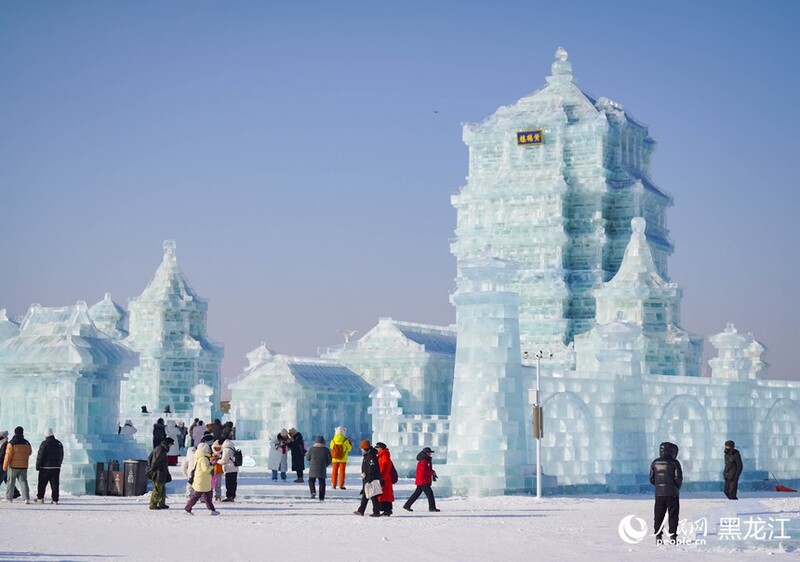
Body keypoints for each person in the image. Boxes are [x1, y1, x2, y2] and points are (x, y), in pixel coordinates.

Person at [649, 441, 683, 545]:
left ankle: (658, 536)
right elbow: (678, 478)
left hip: (659, 494)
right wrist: (676, 487)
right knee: (673, 515)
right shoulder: (674, 462)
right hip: (673, 493)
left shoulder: (655, 462)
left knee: (659, 515)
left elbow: (651, 478)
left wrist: (659, 486)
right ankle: (673, 536)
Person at [183, 442, 219, 516]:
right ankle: (187, 509)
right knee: (196, 496)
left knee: (207, 496)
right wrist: (212, 466)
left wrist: (211, 463)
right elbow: (205, 469)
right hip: (202, 480)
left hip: (202, 480)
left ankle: (211, 510)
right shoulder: (203, 458)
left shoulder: (200, 457)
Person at [402, 447, 440, 512]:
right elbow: (423, 471)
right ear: (426, 453)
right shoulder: (424, 461)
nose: (430, 454)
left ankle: (407, 505)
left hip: (422, 480)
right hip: (423, 481)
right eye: (429, 453)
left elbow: (426, 470)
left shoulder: (426, 460)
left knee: (417, 494)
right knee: (430, 494)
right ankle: (432, 508)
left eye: (430, 453)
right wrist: (432, 473)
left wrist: (432, 472)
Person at [3, 426, 32, 503]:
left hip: (13, 467)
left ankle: (9, 498)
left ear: (15, 432)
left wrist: (5, 466)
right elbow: (30, 452)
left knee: (10, 482)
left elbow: (8, 456)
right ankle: (26, 498)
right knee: (23, 482)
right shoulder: (26, 442)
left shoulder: (12, 443)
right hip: (24, 466)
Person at [35, 428, 64, 505]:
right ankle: (55, 500)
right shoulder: (59, 443)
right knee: (55, 484)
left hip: (45, 468)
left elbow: (40, 456)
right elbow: (61, 455)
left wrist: (38, 466)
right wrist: (59, 464)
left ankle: (40, 498)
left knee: (42, 484)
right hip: (56, 468)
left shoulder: (44, 443)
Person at [353, 439, 381, 517]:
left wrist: (366, 473)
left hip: (371, 478)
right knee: (366, 495)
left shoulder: (371, 456)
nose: (361, 450)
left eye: (362, 448)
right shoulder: (368, 455)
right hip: (368, 478)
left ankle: (376, 511)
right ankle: (361, 510)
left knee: (373, 495)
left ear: (366, 448)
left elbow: (372, 467)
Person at [147, 436, 174, 510]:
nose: (171, 446)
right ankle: (153, 504)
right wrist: (152, 470)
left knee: (162, 489)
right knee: (157, 489)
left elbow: (150, 458)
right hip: (158, 472)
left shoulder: (160, 448)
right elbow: (155, 462)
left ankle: (161, 503)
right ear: (167, 444)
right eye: (170, 444)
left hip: (161, 472)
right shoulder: (161, 450)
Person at [306, 435, 331, 501]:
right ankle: (321, 497)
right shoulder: (326, 450)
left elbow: (307, 458)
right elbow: (329, 460)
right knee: (322, 482)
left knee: (311, 480)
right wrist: (325, 465)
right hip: (322, 468)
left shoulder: (311, 449)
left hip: (313, 468)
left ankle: (313, 492)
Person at [375, 442, 395, 516]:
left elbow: (385, 468)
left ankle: (387, 510)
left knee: (384, 495)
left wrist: (382, 478)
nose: (376, 449)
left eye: (377, 448)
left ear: (381, 448)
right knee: (385, 495)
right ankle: (386, 510)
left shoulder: (384, 456)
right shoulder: (382, 455)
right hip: (384, 478)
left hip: (385, 479)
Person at [329, 426, 352, 490]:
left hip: (335, 459)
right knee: (342, 472)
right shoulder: (345, 440)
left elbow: (331, 447)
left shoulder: (333, 440)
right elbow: (349, 449)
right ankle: (341, 485)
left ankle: (333, 485)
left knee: (334, 472)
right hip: (343, 459)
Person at [219, 436, 239, 502]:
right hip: (234, 468)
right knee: (233, 483)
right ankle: (232, 496)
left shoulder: (226, 449)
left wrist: (218, 461)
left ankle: (229, 497)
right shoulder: (231, 447)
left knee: (229, 484)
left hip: (229, 468)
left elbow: (224, 460)